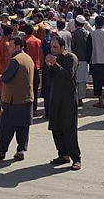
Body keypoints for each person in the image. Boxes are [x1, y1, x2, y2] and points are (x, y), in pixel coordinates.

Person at [0, 37, 34, 161]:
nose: (9, 48)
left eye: (11, 46)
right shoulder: (28, 58)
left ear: (19, 47)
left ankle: (0, 151)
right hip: (26, 98)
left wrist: (2, 76)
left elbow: (7, 77)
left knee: (6, 127)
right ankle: (20, 150)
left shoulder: (15, 60)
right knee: (23, 127)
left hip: (13, 99)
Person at [45, 35, 81, 171]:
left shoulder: (71, 58)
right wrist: (49, 66)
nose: (52, 50)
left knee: (69, 128)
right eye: (51, 47)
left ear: (62, 47)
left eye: (55, 47)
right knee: (56, 127)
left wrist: (55, 64)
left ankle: (76, 158)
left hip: (68, 98)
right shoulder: (53, 59)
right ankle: (63, 154)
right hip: (55, 97)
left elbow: (68, 76)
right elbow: (49, 80)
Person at [88, 15, 104, 108]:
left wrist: (88, 60)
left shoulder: (92, 34)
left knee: (97, 82)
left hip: (96, 60)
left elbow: (89, 48)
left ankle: (100, 101)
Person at [23, 24, 43, 114]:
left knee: (27, 88)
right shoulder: (38, 41)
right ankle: (34, 108)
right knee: (35, 88)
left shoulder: (24, 41)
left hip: (27, 67)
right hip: (36, 67)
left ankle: (28, 108)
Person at [71, 15, 89, 107]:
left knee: (75, 80)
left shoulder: (72, 34)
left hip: (74, 60)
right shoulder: (87, 33)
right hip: (84, 60)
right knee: (82, 81)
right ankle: (80, 99)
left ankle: (75, 98)